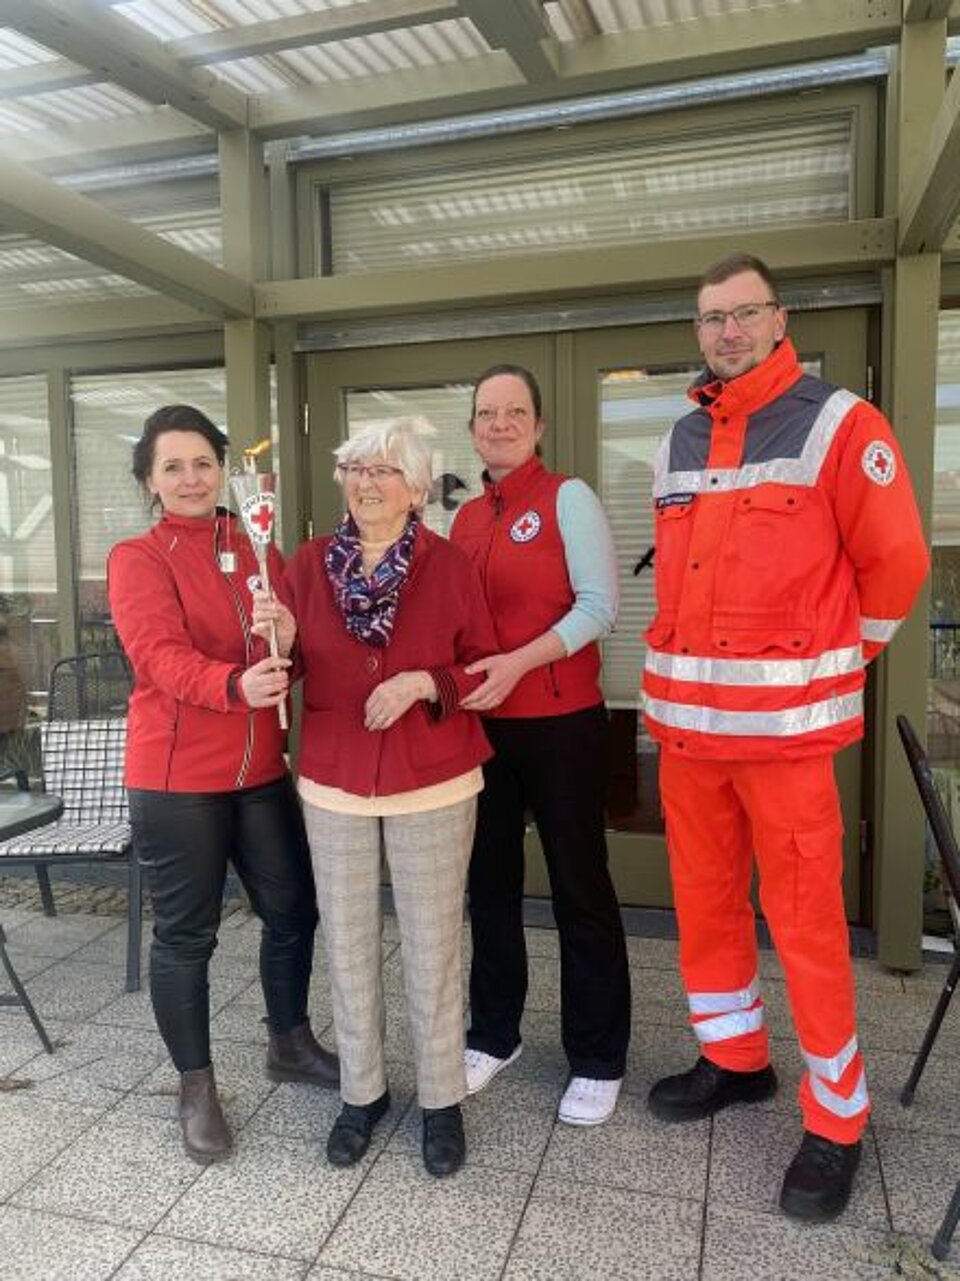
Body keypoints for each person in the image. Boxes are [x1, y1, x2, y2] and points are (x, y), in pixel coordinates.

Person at [643, 253, 929, 1221]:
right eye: (710, 316)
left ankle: (838, 1121)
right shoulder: (679, 438)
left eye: (743, 313)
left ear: (780, 319)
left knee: (807, 930)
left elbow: (896, 563)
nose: (725, 331)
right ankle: (735, 1061)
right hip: (689, 748)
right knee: (708, 910)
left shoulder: (842, 425)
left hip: (786, 747)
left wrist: (832, 664)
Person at [257, 418, 498, 1178]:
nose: (367, 482)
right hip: (334, 776)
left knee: (433, 944)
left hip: (435, 775)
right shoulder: (301, 567)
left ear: (418, 488)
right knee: (350, 944)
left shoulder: (450, 564)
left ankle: (440, 1100)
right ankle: (361, 1094)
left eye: (385, 470)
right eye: (355, 467)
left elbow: (485, 669)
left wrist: (426, 681)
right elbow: (282, 674)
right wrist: (281, 643)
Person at [107, 404, 338, 1166]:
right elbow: (159, 660)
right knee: (187, 935)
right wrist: (237, 684)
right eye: (172, 466)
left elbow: (289, 670)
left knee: (292, 907)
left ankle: (290, 1041)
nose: (190, 477)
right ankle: (196, 1086)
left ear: (223, 468)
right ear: (150, 479)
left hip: (260, 770)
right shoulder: (138, 558)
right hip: (177, 778)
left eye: (202, 462)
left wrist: (291, 640)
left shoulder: (255, 544)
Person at [449, 364, 631, 1127]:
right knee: (487, 888)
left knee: (578, 890)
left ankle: (597, 1055)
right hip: (482, 730)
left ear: (539, 424)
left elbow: (602, 606)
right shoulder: (462, 517)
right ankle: (495, 1033)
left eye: (514, 411)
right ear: (473, 427)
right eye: (486, 412)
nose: (499, 424)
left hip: (562, 725)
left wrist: (521, 661)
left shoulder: (568, 498)